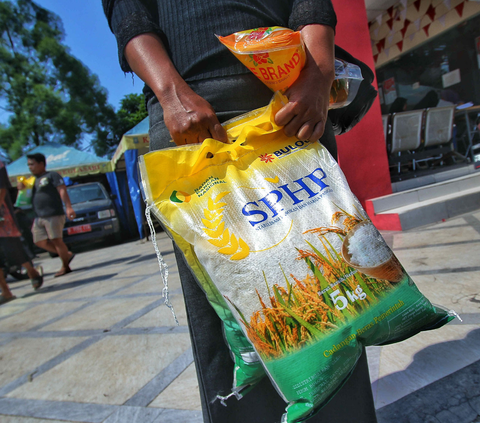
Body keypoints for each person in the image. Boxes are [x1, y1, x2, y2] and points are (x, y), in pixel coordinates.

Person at [103, 1, 377, 422]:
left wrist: (319, 76)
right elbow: (129, 13)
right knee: (232, 315)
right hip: (192, 111)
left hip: (292, 101)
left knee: (328, 289)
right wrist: (171, 93)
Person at [18, 153, 76, 278]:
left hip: (53, 213)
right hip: (39, 216)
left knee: (56, 240)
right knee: (39, 241)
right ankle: (67, 255)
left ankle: (65, 266)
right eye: (28, 165)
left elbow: (62, 190)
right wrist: (21, 188)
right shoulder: (32, 180)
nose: (30, 167)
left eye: (32, 164)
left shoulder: (52, 175)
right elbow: (24, 197)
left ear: (41, 164)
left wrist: (69, 207)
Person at [0, 160, 43, 304]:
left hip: (3, 217)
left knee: (13, 250)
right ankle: (5, 291)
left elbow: (2, 189)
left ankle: (32, 272)